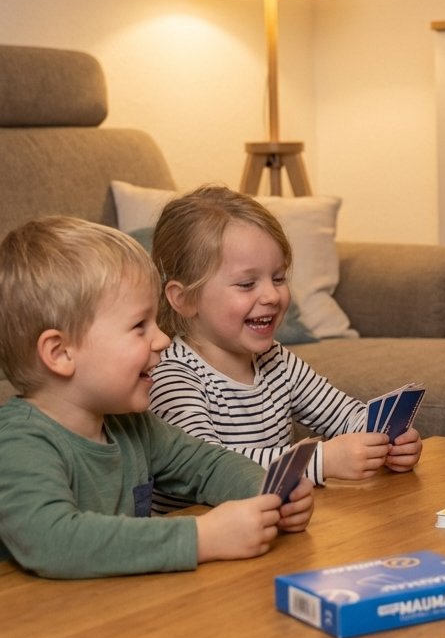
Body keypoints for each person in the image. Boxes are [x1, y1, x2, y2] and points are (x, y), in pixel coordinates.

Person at [0, 216, 314, 579]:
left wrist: (267, 490)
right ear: (60, 353)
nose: (163, 339)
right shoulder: (18, 444)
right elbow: (53, 541)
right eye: (139, 326)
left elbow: (207, 464)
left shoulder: (132, 427)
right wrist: (202, 538)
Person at [149, 185, 421, 513]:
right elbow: (209, 469)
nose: (272, 296)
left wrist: (386, 441)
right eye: (247, 284)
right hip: (203, 543)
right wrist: (322, 461)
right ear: (184, 298)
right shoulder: (171, 378)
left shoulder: (276, 360)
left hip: (268, 529)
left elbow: (344, 414)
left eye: (278, 278)